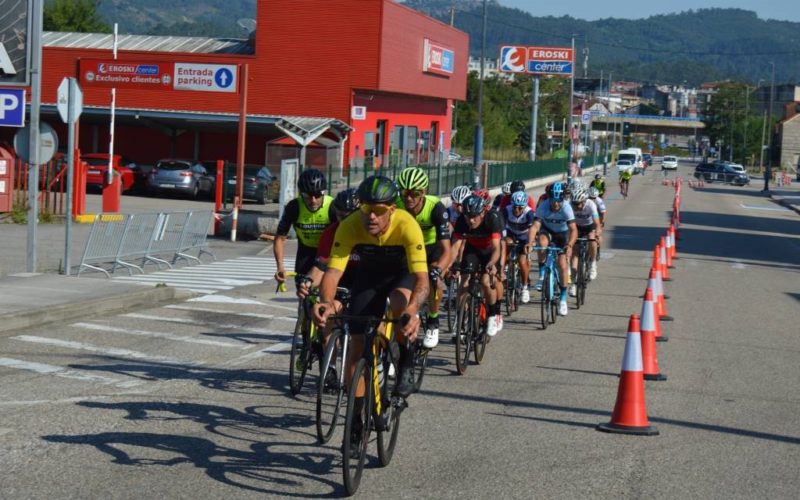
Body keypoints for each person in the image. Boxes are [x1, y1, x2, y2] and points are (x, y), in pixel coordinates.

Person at [312, 175, 428, 457]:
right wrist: (326, 302)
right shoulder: (351, 226)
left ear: (392, 209)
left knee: (401, 304)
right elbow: (333, 273)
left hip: (401, 274)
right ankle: (355, 422)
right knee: (356, 347)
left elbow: (422, 280)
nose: (371, 216)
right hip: (369, 277)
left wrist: (414, 311)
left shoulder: (407, 225)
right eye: (366, 209)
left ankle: (406, 359)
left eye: (378, 210)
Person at [395, 167, 452, 349]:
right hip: (408, 248)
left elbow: (447, 250)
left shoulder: (435, 207)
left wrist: (439, 269)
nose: (408, 198)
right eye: (404, 192)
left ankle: (433, 320)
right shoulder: (397, 204)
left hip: (432, 248)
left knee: (434, 280)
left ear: (424, 192)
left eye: (414, 193)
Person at [450, 194, 503, 337]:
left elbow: (497, 247)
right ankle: (462, 320)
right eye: (468, 216)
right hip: (473, 250)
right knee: (464, 283)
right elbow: (455, 247)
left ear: (483, 212)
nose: (471, 220)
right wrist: (451, 265)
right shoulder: (462, 220)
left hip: (490, 251)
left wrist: (492, 263)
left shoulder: (492, 218)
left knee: (486, 282)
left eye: (474, 216)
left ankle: (492, 315)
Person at [274, 169, 335, 286]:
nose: (313, 200)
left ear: (324, 192)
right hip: (306, 252)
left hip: (329, 252)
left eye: (317, 195)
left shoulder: (333, 206)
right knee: (303, 291)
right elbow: (280, 239)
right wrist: (280, 267)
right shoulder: (294, 207)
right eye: (307, 195)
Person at [530, 182, 577, 316]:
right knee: (541, 242)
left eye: (558, 201)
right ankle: (542, 275)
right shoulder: (544, 206)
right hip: (548, 231)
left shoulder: (567, 208)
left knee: (562, 264)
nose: (555, 204)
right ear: (549, 198)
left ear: (562, 199)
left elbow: (573, 230)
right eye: (553, 201)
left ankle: (562, 299)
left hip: (563, 234)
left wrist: (570, 245)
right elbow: (535, 227)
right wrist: (530, 242)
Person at [503, 191, 537, 303]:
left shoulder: (529, 213)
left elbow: (533, 229)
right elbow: (500, 227)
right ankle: (504, 273)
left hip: (524, 236)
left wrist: (530, 243)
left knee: (522, 261)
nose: (517, 210)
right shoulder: (506, 210)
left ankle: (525, 287)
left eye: (520, 208)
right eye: (515, 207)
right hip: (511, 233)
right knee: (505, 249)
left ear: (525, 206)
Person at [568, 185, 602, 291]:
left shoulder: (590, 205)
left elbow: (597, 223)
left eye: (578, 204)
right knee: (575, 255)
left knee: (592, 238)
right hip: (576, 228)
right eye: (574, 204)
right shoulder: (570, 205)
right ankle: (573, 282)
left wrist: (597, 232)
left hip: (589, 227)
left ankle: (593, 263)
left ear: (584, 201)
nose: (576, 207)